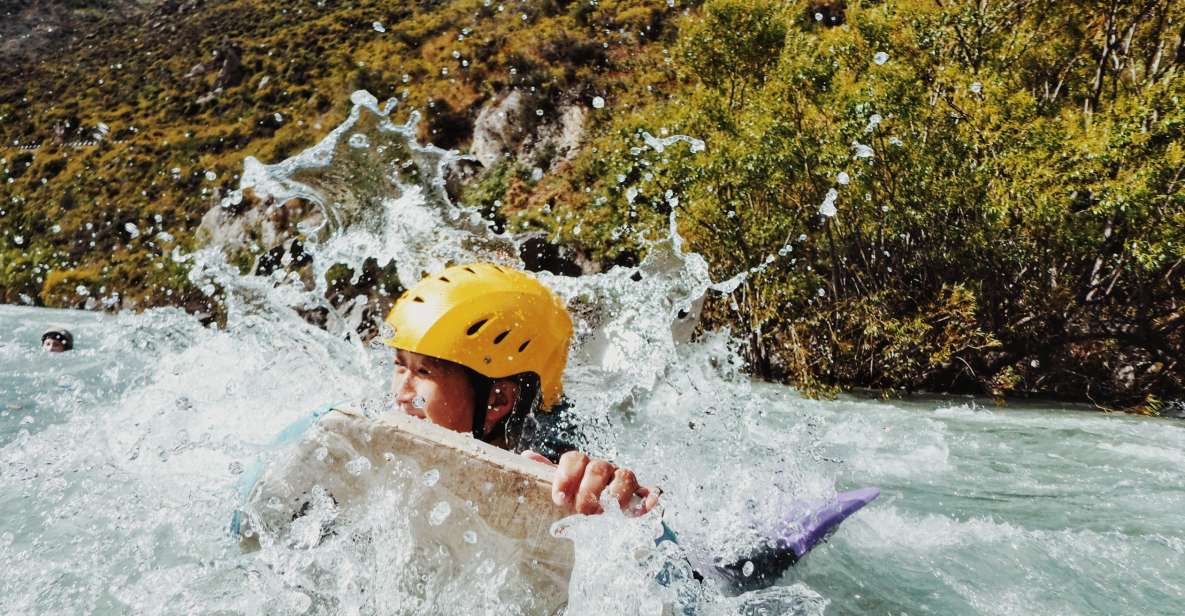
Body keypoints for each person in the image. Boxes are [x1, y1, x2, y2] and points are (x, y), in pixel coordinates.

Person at [382, 262, 659, 516]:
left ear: (498, 400)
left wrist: (616, 502)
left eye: (422, 372)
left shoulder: (555, 461)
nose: (401, 392)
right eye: (399, 365)